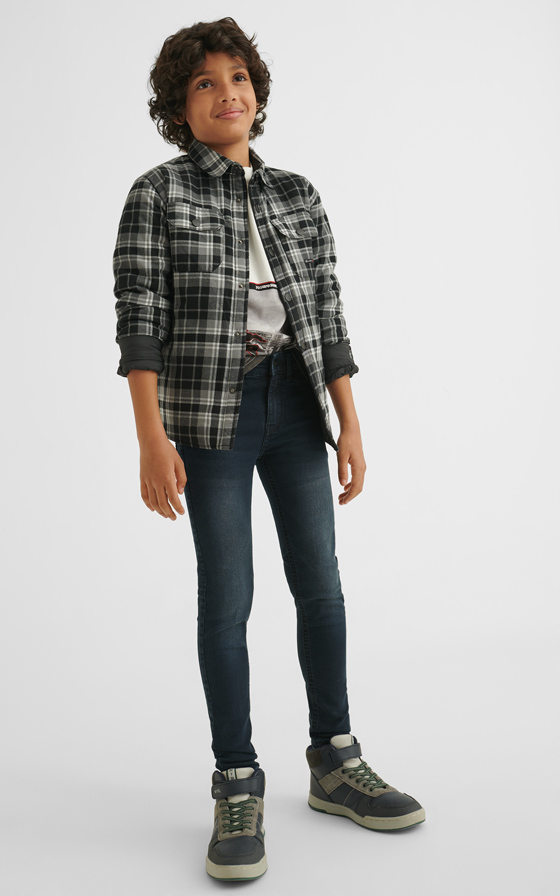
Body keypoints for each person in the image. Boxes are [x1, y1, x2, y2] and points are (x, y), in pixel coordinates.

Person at [112, 17, 425, 882]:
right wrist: (150, 437)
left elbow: (327, 309)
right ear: (179, 107)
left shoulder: (296, 194)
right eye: (205, 83)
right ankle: (236, 780)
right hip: (210, 415)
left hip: (294, 403)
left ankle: (335, 759)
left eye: (239, 77)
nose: (228, 94)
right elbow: (140, 319)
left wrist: (347, 419)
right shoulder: (158, 194)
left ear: (258, 91)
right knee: (228, 600)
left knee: (321, 587)